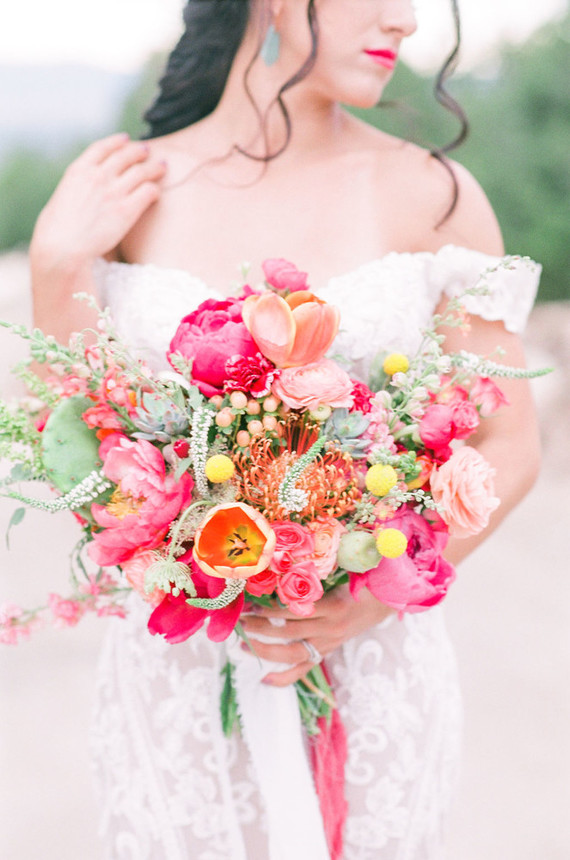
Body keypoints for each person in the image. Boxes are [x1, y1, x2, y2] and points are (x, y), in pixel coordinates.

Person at [29, 1, 541, 857]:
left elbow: (513, 444)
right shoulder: (125, 188)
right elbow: (74, 449)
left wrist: (370, 600)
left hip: (372, 670)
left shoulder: (432, 192)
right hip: (178, 672)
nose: (408, 21)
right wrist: (56, 267)